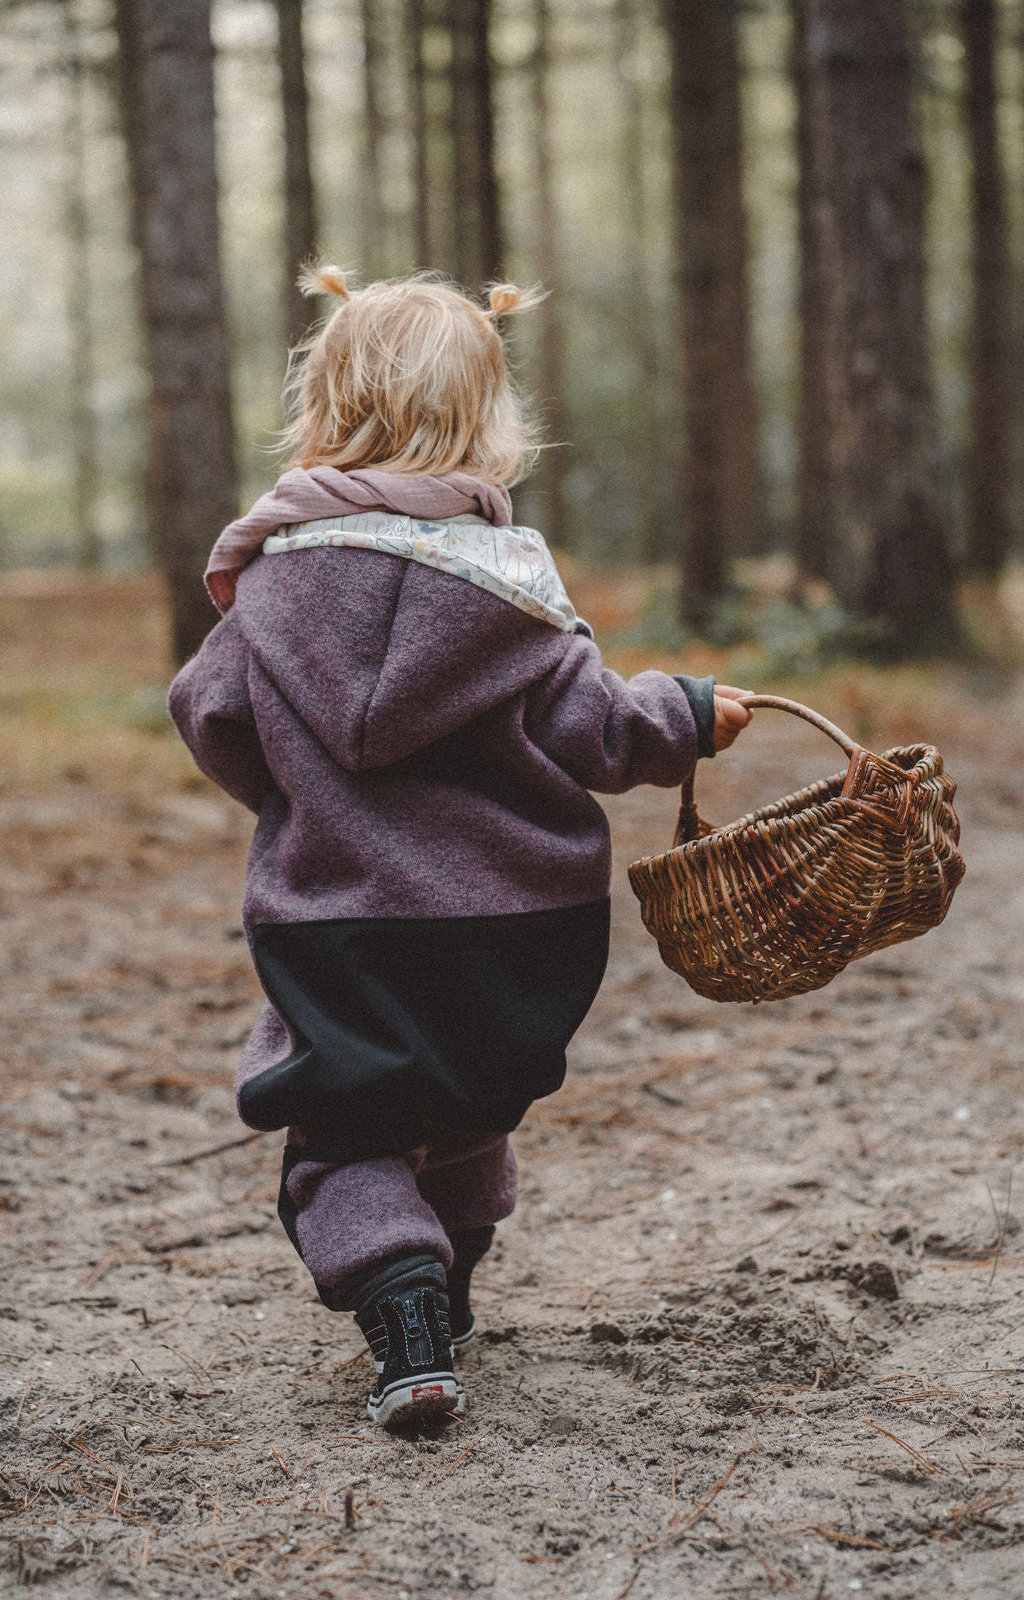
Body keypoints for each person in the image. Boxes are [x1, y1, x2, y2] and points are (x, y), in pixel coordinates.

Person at [169, 266, 752, 1429]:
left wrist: (299, 802)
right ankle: (448, 1286)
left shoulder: (275, 590)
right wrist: (687, 712)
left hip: (342, 927)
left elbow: (211, 715)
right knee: (467, 1105)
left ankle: (403, 1302)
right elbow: (594, 727)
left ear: (322, 407)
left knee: (345, 1132)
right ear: (490, 422)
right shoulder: (507, 586)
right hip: (519, 930)